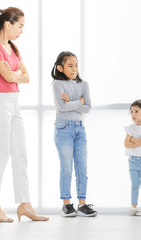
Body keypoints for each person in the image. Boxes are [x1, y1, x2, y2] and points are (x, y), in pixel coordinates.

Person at [0, 7, 48, 222]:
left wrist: (16, 75)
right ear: (7, 24)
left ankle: (25, 204)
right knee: (0, 153)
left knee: (21, 154)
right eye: (20, 26)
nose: (22, 31)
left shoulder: (12, 48)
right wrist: (16, 75)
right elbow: (8, 76)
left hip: (15, 101)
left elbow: (24, 76)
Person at [52, 51, 97, 217]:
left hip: (80, 128)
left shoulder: (83, 84)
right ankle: (66, 204)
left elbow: (88, 107)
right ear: (60, 67)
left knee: (82, 168)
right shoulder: (58, 84)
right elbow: (62, 108)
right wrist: (79, 101)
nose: (74, 68)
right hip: (63, 128)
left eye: (76, 65)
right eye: (70, 65)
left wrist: (70, 102)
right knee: (66, 168)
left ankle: (82, 204)